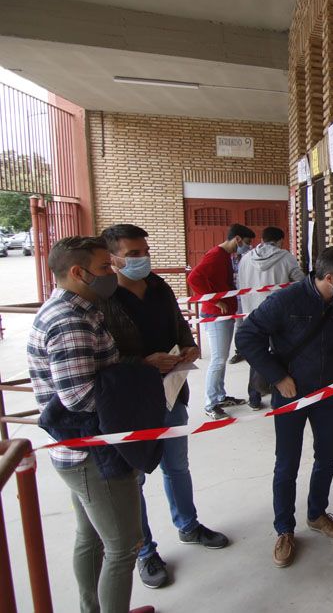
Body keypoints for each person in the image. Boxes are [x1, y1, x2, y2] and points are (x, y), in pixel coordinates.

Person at [26, 236, 155, 613]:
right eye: (104, 267)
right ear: (77, 272)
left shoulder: (83, 309)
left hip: (83, 451)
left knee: (91, 537)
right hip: (91, 453)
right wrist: (142, 382)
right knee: (123, 546)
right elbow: (81, 399)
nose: (111, 273)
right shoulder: (69, 322)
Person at [99, 224, 230, 589]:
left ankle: (188, 525)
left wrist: (188, 346)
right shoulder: (103, 298)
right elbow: (101, 357)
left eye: (144, 251)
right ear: (113, 259)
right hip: (130, 401)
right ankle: (144, 550)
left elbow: (178, 326)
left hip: (172, 391)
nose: (143, 259)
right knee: (135, 477)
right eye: (133, 253)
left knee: (177, 466)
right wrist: (141, 363)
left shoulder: (158, 286)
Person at [235, 246, 333, 568]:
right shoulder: (285, 301)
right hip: (290, 394)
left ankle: (317, 514)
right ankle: (284, 530)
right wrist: (277, 378)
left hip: (328, 393)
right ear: (329, 277)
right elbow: (246, 337)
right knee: (286, 464)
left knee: (327, 456)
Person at [187, 223, 255, 419]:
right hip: (215, 315)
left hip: (223, 314)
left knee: (221, 358)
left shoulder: (225, 256)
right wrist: (215, 301)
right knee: (217, 360)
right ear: (238, 239)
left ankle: (219, 395)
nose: (248, 247)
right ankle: (210, 403)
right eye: (247, 242)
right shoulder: (216, 255)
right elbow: (194, 278)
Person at [236, 226, 306, 410]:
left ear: (262, 239)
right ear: (280, 240)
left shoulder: (245, 258)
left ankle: (254, 396)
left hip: (252, 313)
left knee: (257, 354)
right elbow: (300, 282)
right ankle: (278, 391)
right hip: (279, 314)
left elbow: (240, 284)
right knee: (277, 353)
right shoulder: (286, 257)